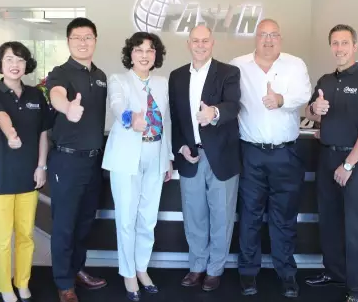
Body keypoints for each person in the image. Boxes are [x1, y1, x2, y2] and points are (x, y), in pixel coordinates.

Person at [230, 19, 311, 298]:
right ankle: (247, 273)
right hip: (250, 152)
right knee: (249, 215)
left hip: (286, 153)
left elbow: (304, 94)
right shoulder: (238, 65)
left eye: (273, 34)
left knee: (284, 217)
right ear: (255, 38)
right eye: (263, 34)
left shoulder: (295, 64)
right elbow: (228, 100)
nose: (268, 39)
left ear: (280, 38)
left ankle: (286, 273)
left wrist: (281, 100)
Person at [304, 24, 358, 302]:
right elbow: (310, 112)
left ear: (354, 47)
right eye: (335, 43)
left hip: (354, 161)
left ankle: (357, 288)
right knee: (329, 220)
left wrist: (348, 165)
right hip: (326, 156)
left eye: (344, 43)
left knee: (354, 225)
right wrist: (314, 109)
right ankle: (334, 272)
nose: (339, 48)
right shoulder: (325, 80)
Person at [168, 25, 241, 292]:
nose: (200, 45)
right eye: (195, 41)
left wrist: (214, 113)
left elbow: (233, 106)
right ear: (188, 43)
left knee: (221, 215)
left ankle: (214, 269)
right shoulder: (176, 76)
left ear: (213, 43)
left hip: (222, 156)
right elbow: (175, 118)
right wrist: (180, 147)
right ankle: (197, 266)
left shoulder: (228, 72)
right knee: (194, 215)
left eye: (205, 41)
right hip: (191, 156)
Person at [102, 31, 174, 302]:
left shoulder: (162, 83)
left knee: (148, 219)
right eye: (139, 50)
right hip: (126, 157)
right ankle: (128, 273)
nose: (144, 55)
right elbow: (116, 105)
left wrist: (168, 157)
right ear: (130, 54)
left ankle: (142, 268)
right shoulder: (118, 80)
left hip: (156, 155)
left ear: (156, 55)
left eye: (150, 50)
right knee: (126, 219)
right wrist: (131, 119)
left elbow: (167, 121)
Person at [0, 42, 54, 302]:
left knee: (26, 236)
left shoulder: (36, 95)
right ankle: (5, 286)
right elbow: (1, 116)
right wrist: (11, 134)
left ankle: (22, 282)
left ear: (27, 64)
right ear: (0, 64)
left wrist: (41, 166)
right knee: (1, 240)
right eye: (9, 59)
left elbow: (43, 133)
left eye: (20, 60)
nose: (15, 64)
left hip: (28, 177)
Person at [45, 18, 108, 302]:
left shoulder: (101, 75)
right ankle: (64, 283)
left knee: (84, 222)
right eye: (77, 38)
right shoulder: (60, 73)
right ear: (68, 41)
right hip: (67, 162)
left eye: (88, 37)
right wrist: (67, 107)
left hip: (94, 162)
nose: (83, 42)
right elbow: (56, 94)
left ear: (95, 40)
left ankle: (77, 269)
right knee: (65, 225)